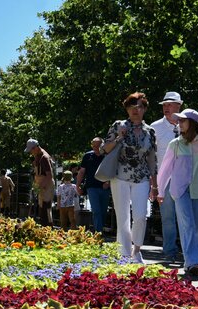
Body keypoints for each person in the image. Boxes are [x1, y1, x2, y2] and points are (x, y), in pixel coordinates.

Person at [156, 108, 198, 277]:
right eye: (179, 121)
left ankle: (193, 261)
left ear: (192, 123)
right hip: (179, 190)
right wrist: (160, 190)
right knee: (187, 223)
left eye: (182, 120)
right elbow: (165, 169)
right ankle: (192, 262)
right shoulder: (175, 144)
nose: (179, 123)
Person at [102, 92, 158, 263]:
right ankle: (125, 254)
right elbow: (106, 148)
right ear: (126, 108)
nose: (136, 109)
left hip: (141, 177)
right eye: (132, 106)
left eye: (140, 106)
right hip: (120, 176)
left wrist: (154, 185)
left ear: (145, 109)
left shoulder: (150, 131)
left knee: (141, 215)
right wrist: (120, 137)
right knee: (123, 216)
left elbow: (152, 158)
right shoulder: (118, 125)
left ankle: (137, 249)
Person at [149, 91, 185, 261]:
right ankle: (170, 252)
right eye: (164, 105)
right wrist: (153, 183)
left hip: (186, 179)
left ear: (179, 105)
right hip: (165, 180)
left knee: (186, 217)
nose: (166, 107)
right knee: (168, 217)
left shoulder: (188, 126)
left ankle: (189, 253)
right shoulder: (154, 127)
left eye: (170, 104)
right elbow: (150, 157)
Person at [76, 137, 110, 236]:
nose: (95, 148)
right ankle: (98, 233)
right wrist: (77, 185)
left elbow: (112, 169)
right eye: (94, 146)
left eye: (98, 146)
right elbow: (82, 171)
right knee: (96, 211)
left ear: (102, 145)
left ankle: (99, 229)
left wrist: (108, 182)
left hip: (105, 187)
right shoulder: (87, 156)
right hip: (91, 187)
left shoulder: (107, 155)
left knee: (103, 211)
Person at [25, 138, 55, 226]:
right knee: (41, 209)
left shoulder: (44, 158)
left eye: (31, 150)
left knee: (46, 209)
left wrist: (39, 187)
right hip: (41, 186)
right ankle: (44, 227)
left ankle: (48, 228)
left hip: (46, 186)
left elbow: (49, 176)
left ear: (36, 148)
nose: (31, 153)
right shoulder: (38, 156)